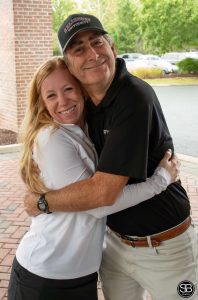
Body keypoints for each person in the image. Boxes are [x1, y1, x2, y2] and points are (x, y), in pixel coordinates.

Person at [24, 13, 198, 300]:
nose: (92, 54)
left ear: (112, 48)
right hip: (114, 247)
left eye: (97, 42)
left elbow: (101, 194)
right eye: (79, 49)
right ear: (70, 65)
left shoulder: (134, 98)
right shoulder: (82, 104)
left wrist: (41, 202)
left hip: (167, 250)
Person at [8, 56, 177, 300]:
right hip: (45, 276)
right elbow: (97, 204)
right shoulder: (52, 138)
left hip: (80, 273)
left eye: (68, 89)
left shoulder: (81, 130)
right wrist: (160, 180)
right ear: (42, 103)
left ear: (81, 90)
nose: (63, 101)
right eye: (51, 95)